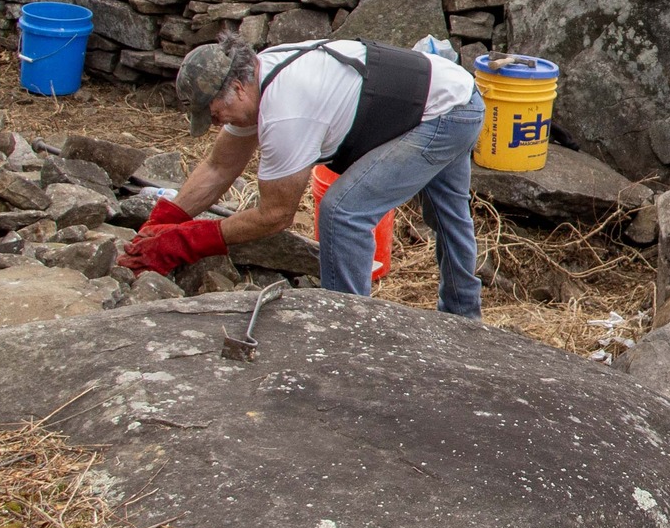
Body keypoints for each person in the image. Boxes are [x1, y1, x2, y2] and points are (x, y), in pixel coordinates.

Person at [120, 34, 486, 317]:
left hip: (447, 110)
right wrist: (161, 224)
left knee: (343, 213)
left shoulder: (285, 111)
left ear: (235, 88)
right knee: (447, 215)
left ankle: (346, 328)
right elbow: (219, 167)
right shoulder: (256, 79)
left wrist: (181, 242)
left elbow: (276, 215)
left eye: (215, 114)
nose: (216, 123)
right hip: (447, 92)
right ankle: (463, 316)